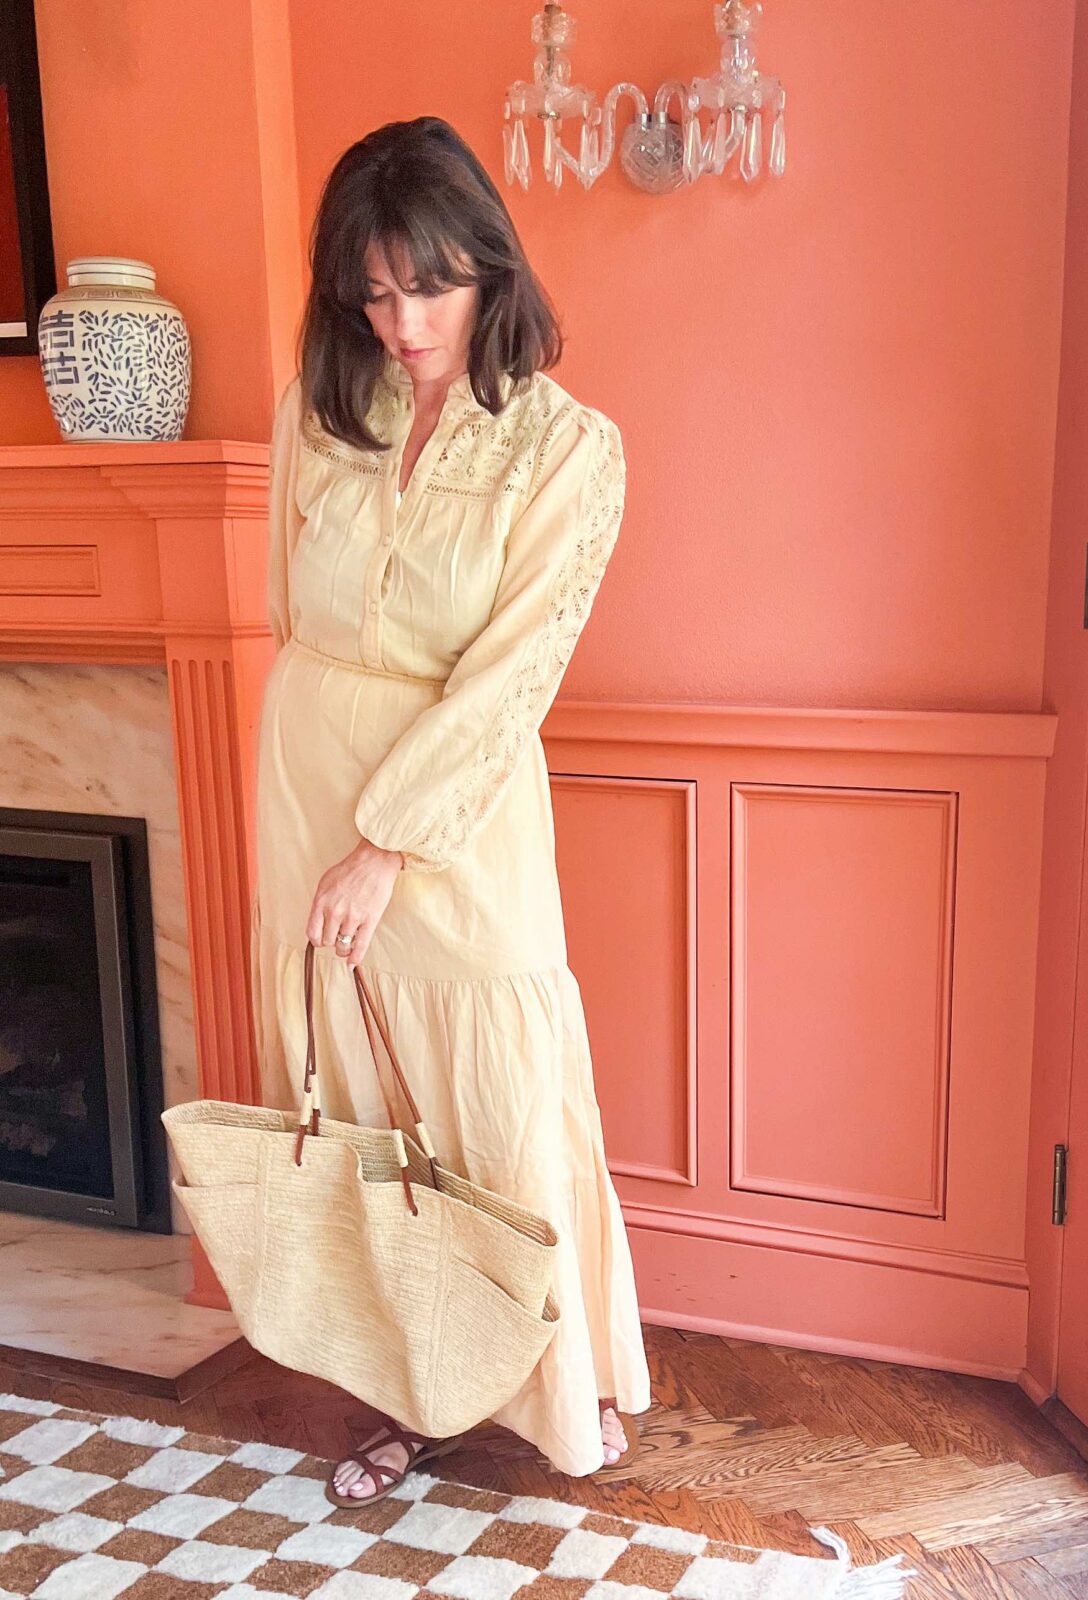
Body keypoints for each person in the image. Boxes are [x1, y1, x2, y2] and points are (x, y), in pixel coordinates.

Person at [248, 114, 652, 1501]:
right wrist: (324, 818)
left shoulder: (567, 450)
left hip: (455, 817)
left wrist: (387, 844)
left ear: (490, 266)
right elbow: (290, 614)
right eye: (368, 287)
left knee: (499, 1090)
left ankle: (556, 1381)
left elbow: (511, 674)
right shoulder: (319, 406)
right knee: (354, 1104)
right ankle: (397, 1397)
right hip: (304, 787)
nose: (400, 318)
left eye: (427, 282)